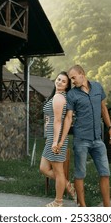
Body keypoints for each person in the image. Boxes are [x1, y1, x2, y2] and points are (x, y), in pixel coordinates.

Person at [56, 65, 111, 207]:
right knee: (80, 174)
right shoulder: (72, 94)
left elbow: (103, 108)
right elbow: (68, 118)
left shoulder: (97, 87)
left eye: (74, 77)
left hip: (98, 139)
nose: (72, 81)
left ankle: (108, 207)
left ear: (82, 74)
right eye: (70, 79)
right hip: (81, 139)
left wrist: (110, 127)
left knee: (105, 173)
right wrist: (61, 140)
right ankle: (82, 207)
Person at [39, 71, 77, 207]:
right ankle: (67, 184)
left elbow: (58, 121)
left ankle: (58, 201)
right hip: (51, 138)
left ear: (67, 86)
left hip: (56, 138)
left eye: (63, 81)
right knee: (44, 168)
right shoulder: (57, 96)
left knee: (59, 171)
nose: (59, 82)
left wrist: (56, 141)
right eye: (58, 79)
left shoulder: (59, 98)